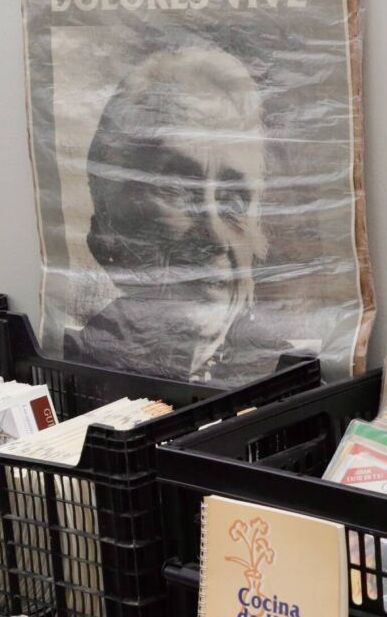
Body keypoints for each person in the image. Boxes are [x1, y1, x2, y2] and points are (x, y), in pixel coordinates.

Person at [74, 42, 294, 382]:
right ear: (109, 230)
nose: (216, 236)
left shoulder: (283, 372)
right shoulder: (79, 364)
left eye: (234, 200)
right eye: (177, 189)